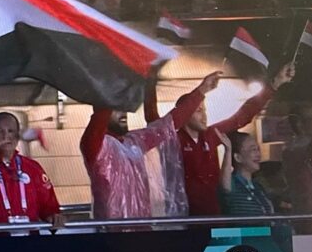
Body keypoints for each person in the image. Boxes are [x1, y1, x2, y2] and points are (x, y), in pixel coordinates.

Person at [144, 63, 295, 216]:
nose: (204, 116)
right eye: (198, 111)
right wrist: (149, 81)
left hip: (215, 216)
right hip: (185, 219)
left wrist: (274, 84)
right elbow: (153, 122)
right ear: (186, 114)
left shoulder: (211, 135)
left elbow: (242, 117)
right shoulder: (174, 141)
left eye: (205, 110)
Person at [81, 72, 222, 219]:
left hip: (143, 231)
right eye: (115, 109)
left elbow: (170, 123)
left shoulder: (135, 142)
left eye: (124, 108)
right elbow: (100, 115)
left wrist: (201, 90)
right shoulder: (95, 145)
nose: (123, 113)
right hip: (113, 235)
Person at [218, 131, 275, 216]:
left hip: (263, 229)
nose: (258, 154)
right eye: (253, 149)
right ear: (238, 157)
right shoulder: (233, 183)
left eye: (258, 149)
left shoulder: (258, 186)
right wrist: (228, 150)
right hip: (242, 229)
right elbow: (226, 188)